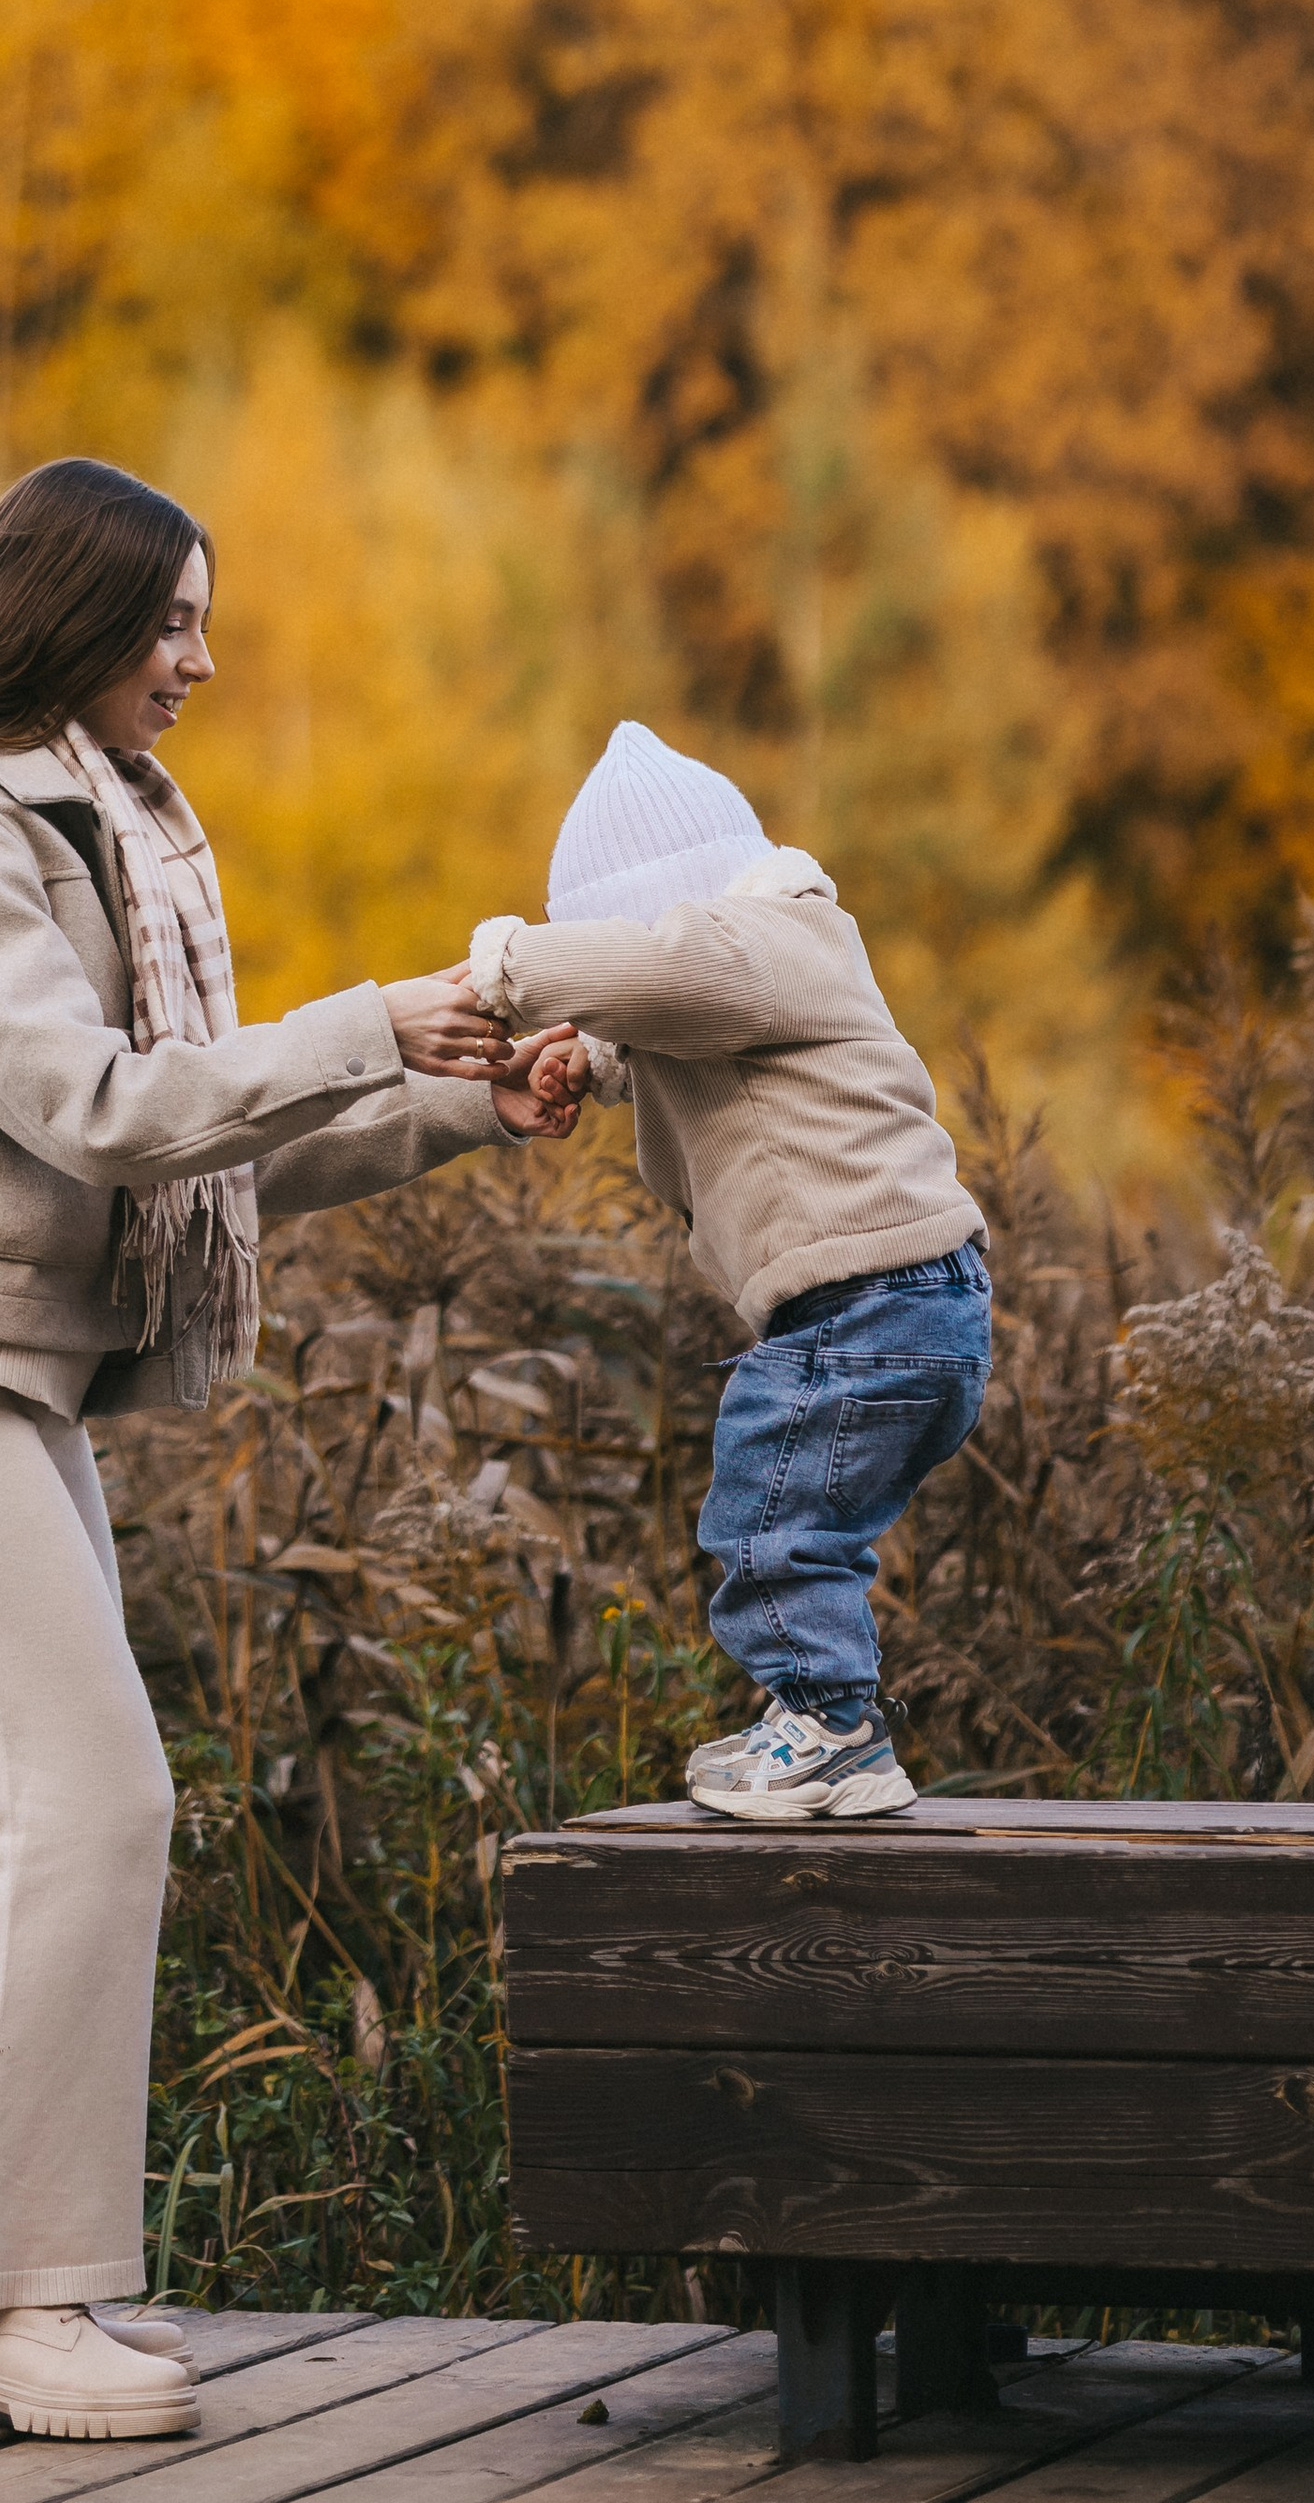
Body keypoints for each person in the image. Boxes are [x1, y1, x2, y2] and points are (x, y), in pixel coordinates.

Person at [0, 458, 572, 2436]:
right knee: (80, 1799)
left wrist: (468, 1104)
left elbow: (218, 1152)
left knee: (26, 1810)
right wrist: (380, 1015)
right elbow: (107, 1113)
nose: (197, 658)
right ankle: (10, 2305)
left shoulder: (109, 837)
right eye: (170, 620)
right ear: (68, 618)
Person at [470, 719, 987, 1822]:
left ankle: (833, 1729)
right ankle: (816, 1723)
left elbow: (678, 977)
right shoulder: (757, 975)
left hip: (868, 1303)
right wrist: (595, 1057)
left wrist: (507, 967)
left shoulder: (765, 940)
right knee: (803, 1513)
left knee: (769, 1512)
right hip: (905, 1302)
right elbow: (696, 1032)